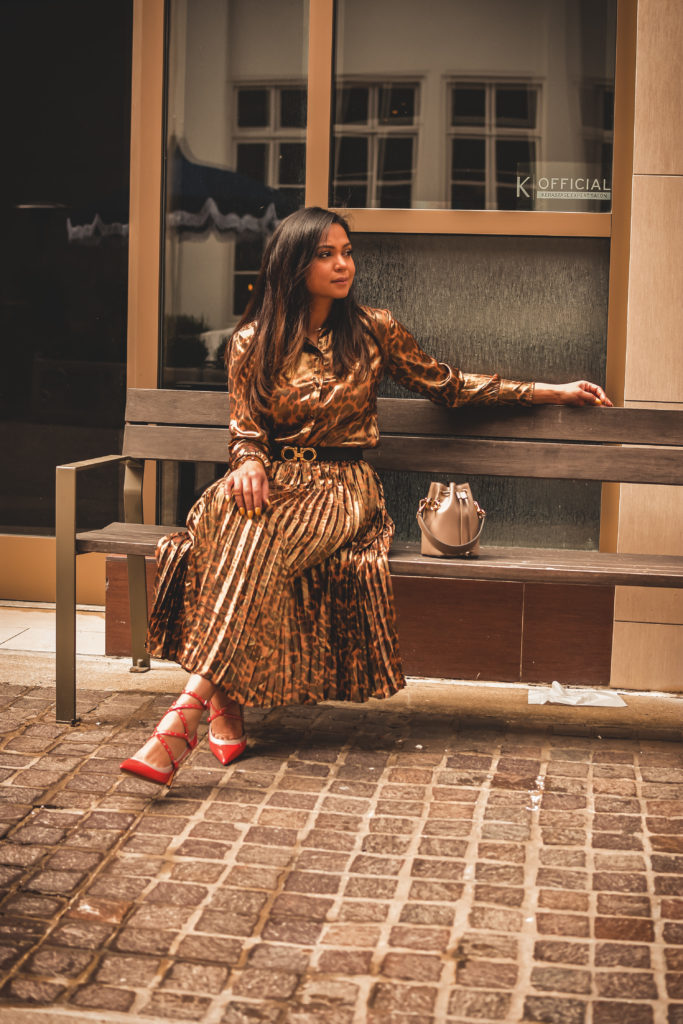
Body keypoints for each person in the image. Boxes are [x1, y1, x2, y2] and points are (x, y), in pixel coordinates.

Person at [120, 206, 612, 786]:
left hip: (340, 488)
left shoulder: (374, 329)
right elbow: (245, 426)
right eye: (326, 254)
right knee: (233, 521)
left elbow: (446, 385)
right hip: (271, 481)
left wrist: (545, 391)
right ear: (295, 263)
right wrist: (249, 461)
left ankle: (186, 714)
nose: (342, 264)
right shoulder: (252, 340)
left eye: (347, 251)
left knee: (248, 540)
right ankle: (219, 701)